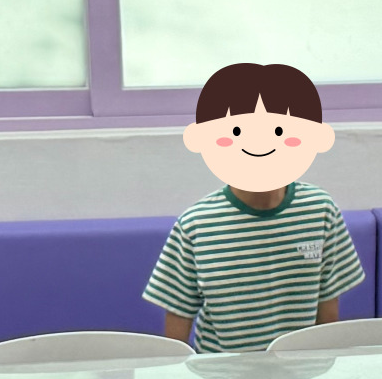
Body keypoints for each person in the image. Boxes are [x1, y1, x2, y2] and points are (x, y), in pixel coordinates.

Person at [146, 60, 366, 353]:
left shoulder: (321, 211)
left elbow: (327, 314)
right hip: (222, 375)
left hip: (300, 371)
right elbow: (178, 320)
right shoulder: (195, 225)